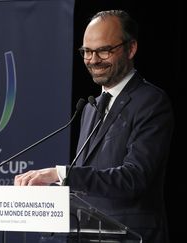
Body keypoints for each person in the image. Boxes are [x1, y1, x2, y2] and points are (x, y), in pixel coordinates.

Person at [14, 10, 174, 243]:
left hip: (130, 236)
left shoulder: (151, 102)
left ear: (131, 49)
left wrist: (60, 173)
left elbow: (134, 179)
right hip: (86, 235)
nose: (93, 59)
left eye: (104, 50)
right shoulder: (90, 107)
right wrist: (50, 194)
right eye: (87, 51)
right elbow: (89, 184)